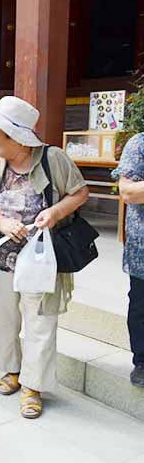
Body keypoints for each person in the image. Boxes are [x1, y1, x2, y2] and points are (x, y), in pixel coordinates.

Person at [0, 96, 89, 419]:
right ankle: (11, 370)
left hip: (41, 257)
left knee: (40, 323)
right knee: (2, 318)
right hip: (2, 256)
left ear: (15, 138)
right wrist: (1, 222)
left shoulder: (54, 159)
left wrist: (54, 211)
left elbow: (80, 192)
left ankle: (33, 386)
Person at [112, 132, 144, 387]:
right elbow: (128, 192)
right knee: (141, 306)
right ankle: (142, 361)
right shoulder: (139, 143)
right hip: (143, 247)